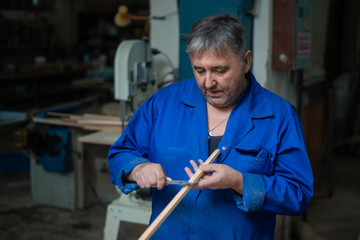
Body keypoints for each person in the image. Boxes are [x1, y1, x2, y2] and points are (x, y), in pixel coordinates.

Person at [108, 14, 313, 239]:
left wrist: (239, 181)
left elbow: (298, 194)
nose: (208, 82)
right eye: (199, 70)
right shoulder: (164, 103)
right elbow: (121, 153)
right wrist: (137, 169)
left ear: (246, 61)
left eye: (219, 70)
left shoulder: (279, 116)